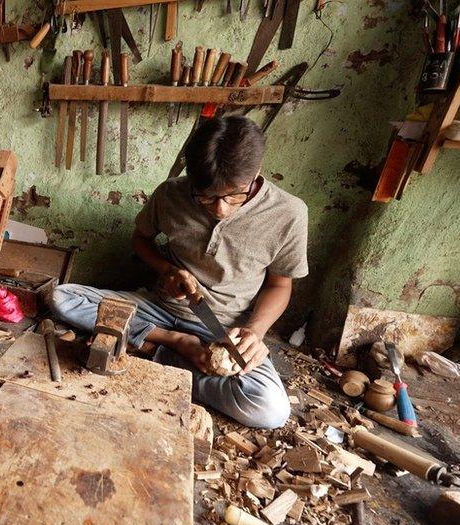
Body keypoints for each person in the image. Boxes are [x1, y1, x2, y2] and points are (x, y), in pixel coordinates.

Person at [48, 115, 308, 429]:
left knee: (269, 409)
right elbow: (141, 240)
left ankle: (149, 349)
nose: (220, 208)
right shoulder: (171, 193)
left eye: (234, 195)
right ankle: (170, 343)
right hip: (155, 310)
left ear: (257, 172)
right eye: (207, 197)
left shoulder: (289, 213)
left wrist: (255, 331)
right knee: (61, 297)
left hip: (221, 330)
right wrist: (167, 270)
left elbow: (280, 286)